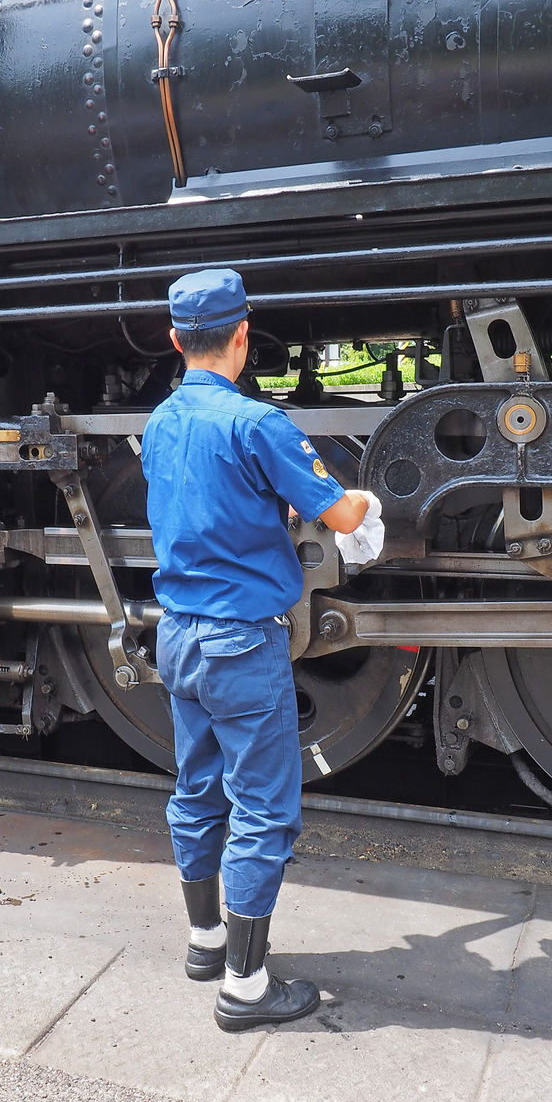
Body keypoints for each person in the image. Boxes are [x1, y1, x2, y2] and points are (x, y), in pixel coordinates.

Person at [140, 267, 383, 1032]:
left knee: (196, 788)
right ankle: (245, 990)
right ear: (243, 335)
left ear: (176, 340)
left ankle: (205, 943)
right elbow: (342, 517)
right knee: (264, 811)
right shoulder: (258, 425)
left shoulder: (159, 424)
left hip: (178, 637)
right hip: (241, 645)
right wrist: (368, 501)